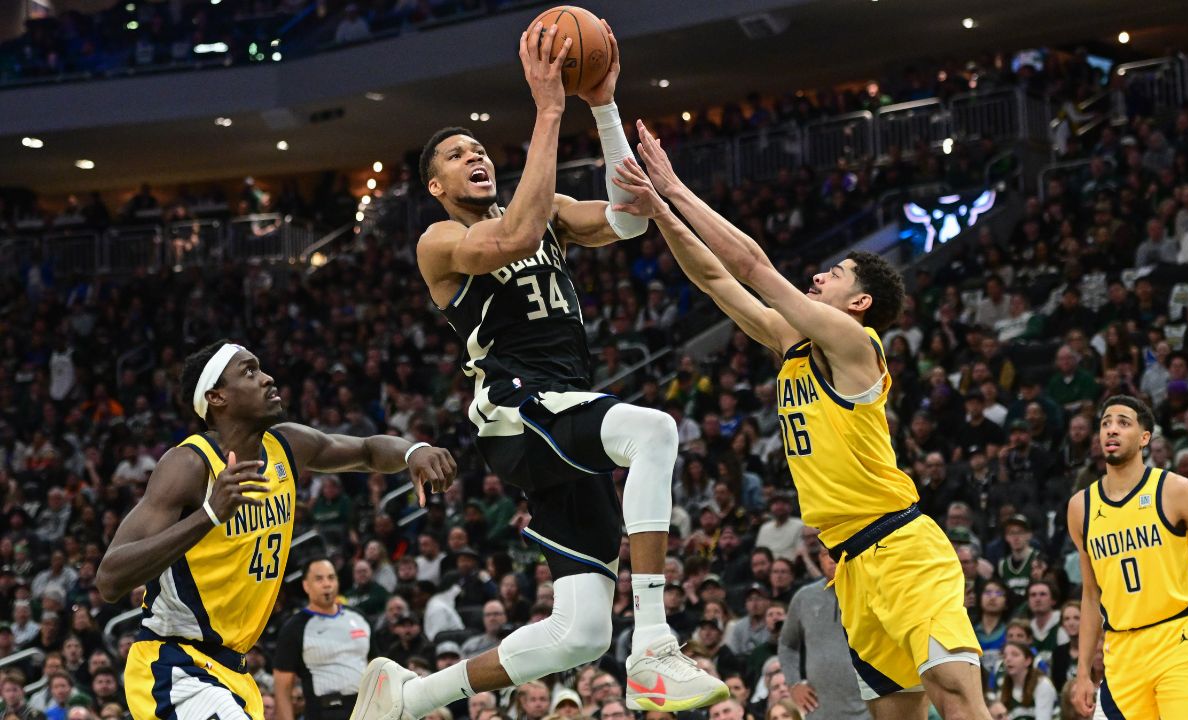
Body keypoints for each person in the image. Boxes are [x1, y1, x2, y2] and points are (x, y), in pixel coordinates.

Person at [350, 21, 725, 720]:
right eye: (458, 156)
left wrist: (602, 106)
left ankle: (408, 696)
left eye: (480, 150)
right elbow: (515, 236)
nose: (475, 158)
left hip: (559, 412)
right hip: (519, 407)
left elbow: (627, 221)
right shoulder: (441, 239)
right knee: (653, 431)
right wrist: (550, 108)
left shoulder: (545, 209)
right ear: (435, 185)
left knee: (579, 632)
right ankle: (653, 645)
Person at [614, 121, 988, 719]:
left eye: (833, 275)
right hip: (851, 566)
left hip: (904, 548)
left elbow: (756, 267)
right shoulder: (790, 343)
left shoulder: (854, 342)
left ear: (858, 303)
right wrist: (660, 215)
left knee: (952, 688)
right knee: (895, 713)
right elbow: (715, 278)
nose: (817, 277)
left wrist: (674, 188)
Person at [96, 341, 456, 720]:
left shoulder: (288, 444)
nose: (267, 378)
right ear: (217, 397)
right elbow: (110, 578)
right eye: (249, 371)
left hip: (234, 672)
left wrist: (412, 451)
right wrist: (209, 515)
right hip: (174, 663)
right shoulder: (189, 464)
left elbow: (366, 450)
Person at [1067, 395, 1188, 718]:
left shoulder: (1175, 490)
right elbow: (1090, 593)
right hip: (1121, 651)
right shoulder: (1080, 507)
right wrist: (1083, 671)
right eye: (1105, 423)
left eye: (1123, 423)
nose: (1111, 429)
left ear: (1144, 438)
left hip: (1178, 641)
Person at [273, 558, 372, 720]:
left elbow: (376, 665)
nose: (327, 584)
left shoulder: (359, 617)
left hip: (366, 710)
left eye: (331, 577)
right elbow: (282, 688)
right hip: (324, 711)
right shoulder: (294, 627)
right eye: (319, 579)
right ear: (306, 585)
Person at [777, 551, 870, 720]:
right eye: (825, 554)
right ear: (819, 560)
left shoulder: (870, 590)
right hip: (819, 711)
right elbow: (786, 644)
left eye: (837, 551)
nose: (832, 559)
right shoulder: (804, 597)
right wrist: (794, 684)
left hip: (867, 709)